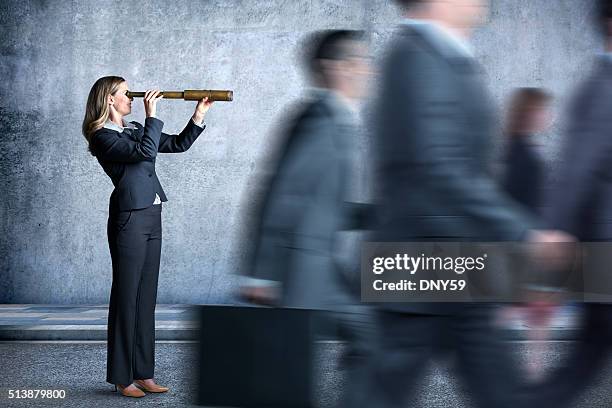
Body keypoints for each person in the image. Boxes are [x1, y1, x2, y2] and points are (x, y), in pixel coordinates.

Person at [366, 1, 569, 407]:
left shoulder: (443, 56)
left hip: (456, 263)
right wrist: (523, 232)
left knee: (499, 390)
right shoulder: (417, 58)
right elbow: (438, 167)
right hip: (426, 262)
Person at [239, 30, 373, 407]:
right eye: (360, 61)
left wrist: (387, 213)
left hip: (326, 268)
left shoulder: (342, 120)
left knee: (374, 337)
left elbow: (330, 207)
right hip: (298, 270)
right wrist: (260, 272)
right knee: (290, 379)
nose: (369, 70)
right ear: (334, 68)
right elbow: (283, 192)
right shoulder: (317, 118)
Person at [82, 76, 212, 398]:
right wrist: (152, 115)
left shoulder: (136, 129)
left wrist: (199, 114)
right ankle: (121, 377)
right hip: (129, 219)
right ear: (110, 100)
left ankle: (143, 373)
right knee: (127, 297)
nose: (131, 98)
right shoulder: (102, 137)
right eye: (126, 94)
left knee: (146, 298)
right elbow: (143, 154)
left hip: (152, 216)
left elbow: (178, 144)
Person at [527, 1, 612, 406]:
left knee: (586, 357)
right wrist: (552, 232)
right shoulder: (603, 86)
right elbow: (576, 168)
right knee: (586, 356)